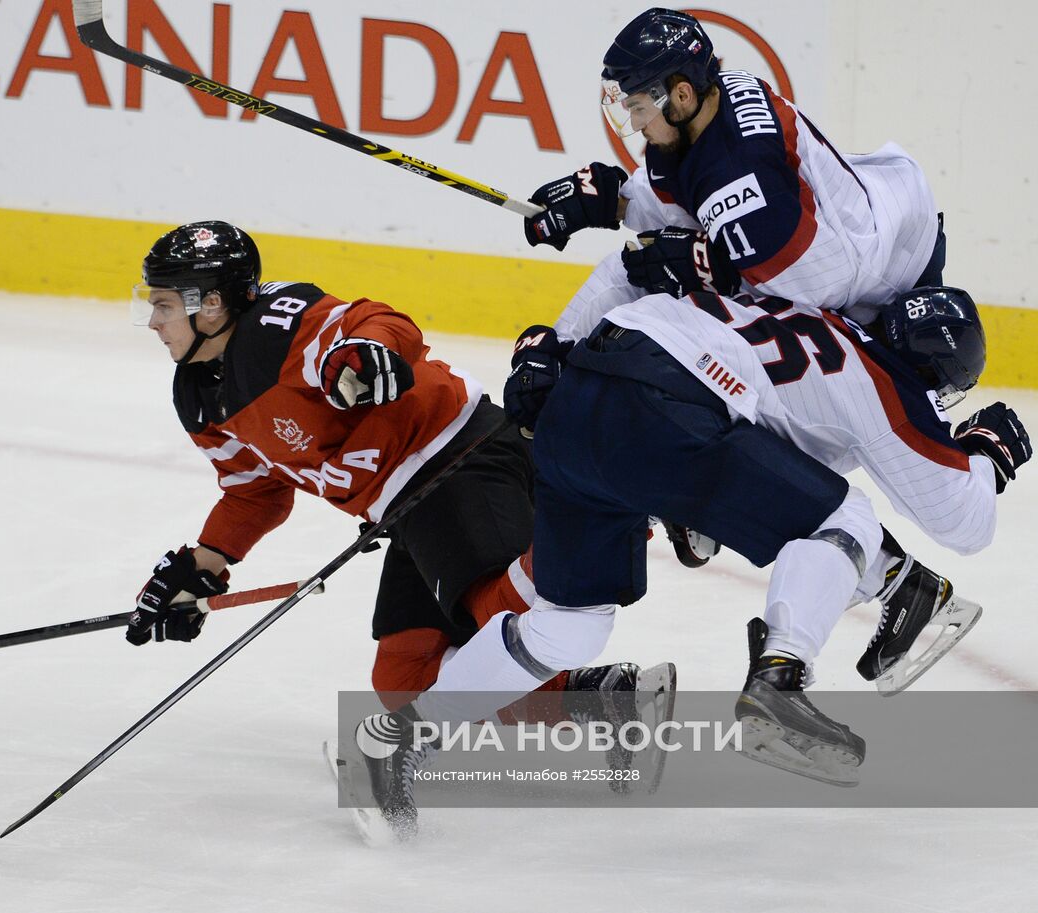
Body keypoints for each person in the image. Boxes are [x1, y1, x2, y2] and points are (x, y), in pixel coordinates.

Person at [357, 283, 1028, 827]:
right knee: (843, 517)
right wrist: (987, 452)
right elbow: (959, 519)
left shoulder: (800, 305)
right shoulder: (882, 385)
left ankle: (395, 739)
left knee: (567, 625)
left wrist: (549, 342)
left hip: (583, 394)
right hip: (662, 405)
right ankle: (779, 680)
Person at [125, 220, 669, 759]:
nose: (153, 321)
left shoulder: (275, 328)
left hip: (457, 456)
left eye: (165, 305)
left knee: (503, 608)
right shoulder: (198, 398)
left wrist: (367, 350)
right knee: (405, 682)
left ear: (214, 304)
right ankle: (613, 703)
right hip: (404, 506)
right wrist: (203, 563)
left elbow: (382, 322)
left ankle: (611, 511)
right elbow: (255, 490)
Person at [523, 8, 945, 328]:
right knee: (636, 269)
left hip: (889, 275)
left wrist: (714, 269)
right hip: (873, 207)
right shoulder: (706, 112)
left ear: (682, 94)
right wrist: (613, 201)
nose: (634, 123)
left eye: (638, 107)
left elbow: (825, 287)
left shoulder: (743, 180)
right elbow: (692, 193)